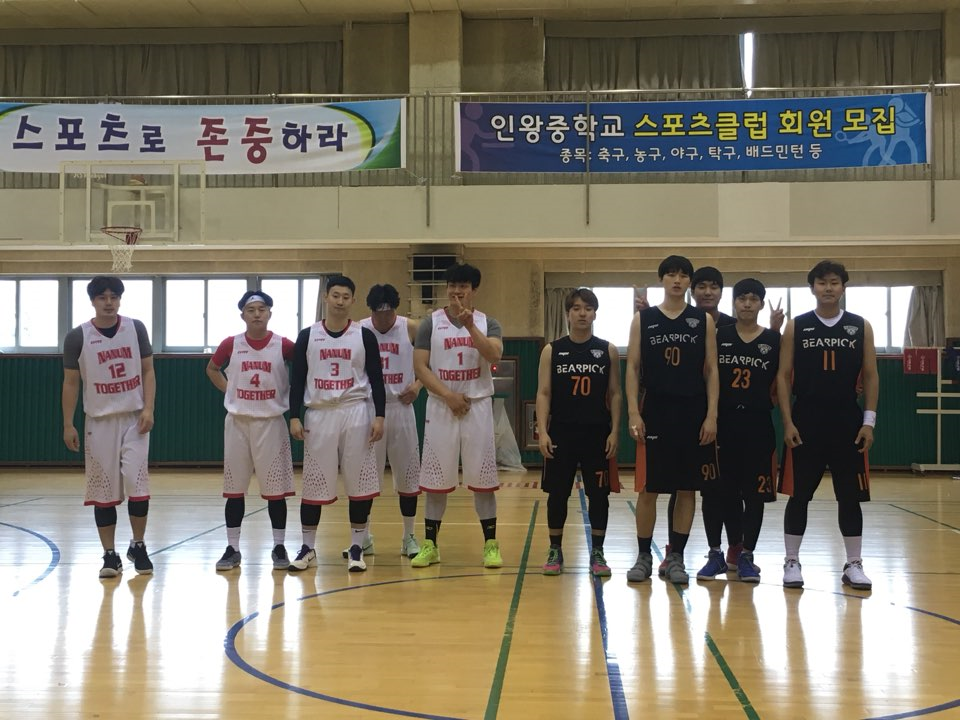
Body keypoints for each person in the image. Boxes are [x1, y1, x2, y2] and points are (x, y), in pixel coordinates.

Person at [777, 260, 878, 591]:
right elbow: (783, 376)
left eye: (834, 282)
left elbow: (871, 375)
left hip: (847, 420)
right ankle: (792, 561)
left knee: (849, 497)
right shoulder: (797, 326)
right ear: (812, 288)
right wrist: (788, 421)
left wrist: (868, 422)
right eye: (822, 283)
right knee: (799, 495)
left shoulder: (860, 326)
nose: (828, 288)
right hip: (806, 419)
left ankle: (854, 563)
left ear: (843, 287)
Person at [625, 255, 718, 584]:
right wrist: (633, 411)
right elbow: (632, 367)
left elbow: (711, 370)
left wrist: (712, 414)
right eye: (671, 275)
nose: (677, 280)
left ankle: (676, 556)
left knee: (686, 488)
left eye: (683, 276)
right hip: (655, 410)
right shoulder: (644, 319)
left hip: (692, 411)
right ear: (662, 279)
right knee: (648, 489)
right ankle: (643, 556)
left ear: (689, 282)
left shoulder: (702, 320)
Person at [287, 275, 386, 573]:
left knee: (360, 483)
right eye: (335, 295)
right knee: (314, 482)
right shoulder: (307, 335)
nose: (340, 301)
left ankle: (357, 546)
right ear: (326, 297)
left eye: (346, 297)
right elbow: (297, 378)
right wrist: (294, 415)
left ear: (352, 300)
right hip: (319, 413)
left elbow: (376, 378)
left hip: (356, 411)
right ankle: (308, 547)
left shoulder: (364, 336)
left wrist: (380, 415)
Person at [410, 262, 504, 569]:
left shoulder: (488, 322)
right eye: (452, 286)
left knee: (483, 480)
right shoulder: (430, 323)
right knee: (435, 480)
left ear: (474, 290)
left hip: (477, 405)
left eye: (463, 286)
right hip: (441, 406)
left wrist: (470, 326)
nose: (456, 291)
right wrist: (448, 395)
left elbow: (494, 355)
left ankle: (490, 544)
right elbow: (420, 366)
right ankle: (430, 545)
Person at [62, 276, 156, 578]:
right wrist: (68, 423)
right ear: (92, 301)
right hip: (99, 421)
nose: (109, 302)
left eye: (113, 297)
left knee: (138, 487)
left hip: (133, 419)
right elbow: (70, 383)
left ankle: (138, 545)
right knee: (103, 491)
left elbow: (148, 370)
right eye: (102, 297)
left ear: (119, 300)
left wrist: (149, 408)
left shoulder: (135, 328)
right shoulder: (78, 336)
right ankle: (110, 555)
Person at [696, 279, 780, 583]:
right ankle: (715, 553)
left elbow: (784, 380)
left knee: (754, 495)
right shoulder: (719, 335)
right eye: (742, 298)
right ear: (734, 303)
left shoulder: (774, 340)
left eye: (753, 299)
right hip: (722, 423)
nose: (747, 304)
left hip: (757, 424)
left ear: (761, 304)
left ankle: (746, 555)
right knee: (715, 491)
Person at [205, 290, 296, 572]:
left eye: (262, 309)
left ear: (270, 313)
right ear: (242, 315)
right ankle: (232, 548)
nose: (257, 314)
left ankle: (279, 546)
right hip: (238, 423)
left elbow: (305, 368)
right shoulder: (231, 344)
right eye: (251, 310)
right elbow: (212, 369)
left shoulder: (284, 345)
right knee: (234, 490)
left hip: (271, 422)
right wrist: (229, 390)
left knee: (276, 491)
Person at [536, 288, 621, 577]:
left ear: (595, 313)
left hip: (597, 433)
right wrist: (542, 432)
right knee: (557, 493)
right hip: (561, 432)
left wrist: (615, 431)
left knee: (599, 495)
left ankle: (597, 551)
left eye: (588, 308)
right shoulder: (552, 350)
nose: (582, 313)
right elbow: (543, 393)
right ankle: (555, 549)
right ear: (568, 314)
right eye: (576, 308)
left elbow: (615, 393)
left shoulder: (607, 350)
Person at [358, 284, 423, 559]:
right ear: (371, 310)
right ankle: (363, 538)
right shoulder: (359, 330)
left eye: (389, 312)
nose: (384, 317)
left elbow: (432, 360)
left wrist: (418, 385)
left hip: (401, 407)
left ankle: (409, 536)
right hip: (369, 409)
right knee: (365, 477)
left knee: (408, 476)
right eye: (379, 312)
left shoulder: (411, 327)